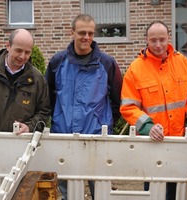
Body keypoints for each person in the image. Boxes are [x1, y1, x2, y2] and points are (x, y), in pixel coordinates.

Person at [0, 29, 51, 200]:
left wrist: (30, 126)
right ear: (7, 46)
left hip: (19, 155)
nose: (23, 56)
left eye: (27, 52)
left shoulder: (37, 79)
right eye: (19, 50)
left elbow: (44, 111)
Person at [120, 20, 187, 200]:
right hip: (151, 142)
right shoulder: (136, 69)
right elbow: (128, 107)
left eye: (162, 40)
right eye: (153, 40)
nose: (158, 45)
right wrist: (148, 127)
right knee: (153, 187)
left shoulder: (184, 64)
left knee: (177, 188)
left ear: (169, 38)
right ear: (146, 40)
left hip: (179, 140)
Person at [45, 14, 122, 200]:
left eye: (90, 33)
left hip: (97, 137)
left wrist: (103, 121)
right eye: (81, 33)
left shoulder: (107, 63)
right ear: (72, 33)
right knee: (67, 190)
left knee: (101, 189)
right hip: (64, 136)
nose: (86, 37)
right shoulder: (57, 62)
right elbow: (48, 97)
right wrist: (59, 119)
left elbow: (117, 100)